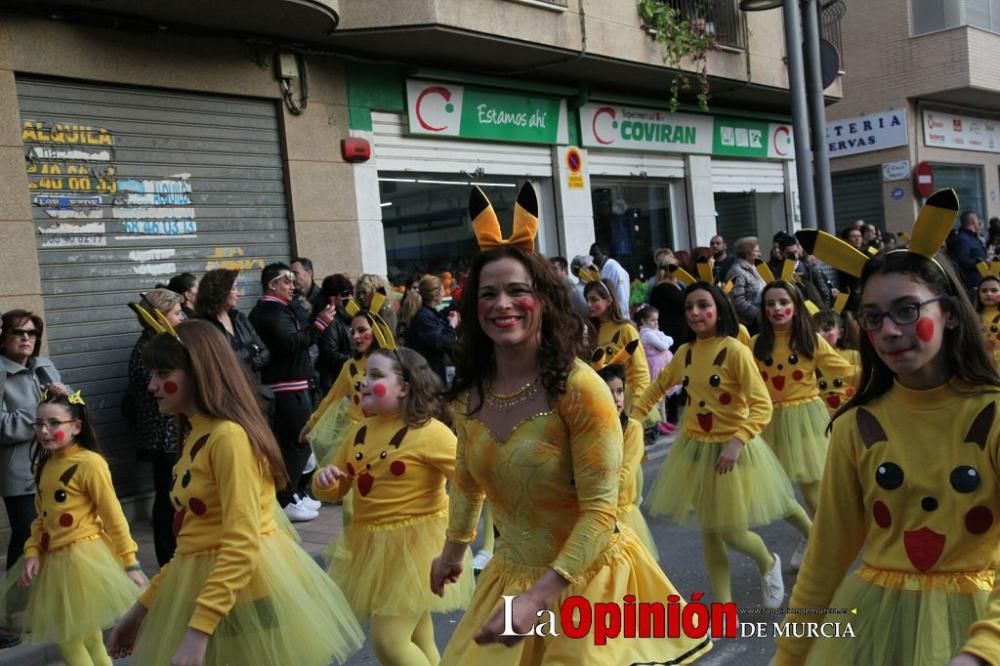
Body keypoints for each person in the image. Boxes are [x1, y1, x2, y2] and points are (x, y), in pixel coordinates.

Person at [430, 183, 713, 664]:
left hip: (590, 585)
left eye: (518, 291)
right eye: (489, 293)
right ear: (473, 309)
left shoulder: (580, 389)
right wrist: (454, 551)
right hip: (511, 578)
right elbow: (466, 478)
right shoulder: (471, 394)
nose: (502, 304)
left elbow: (602, 514)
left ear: (544, 300)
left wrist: (539, 598)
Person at [775, 196, 1000, 665]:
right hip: (875, 630)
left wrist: (983, 651)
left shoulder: (993, 414)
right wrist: (789, 654)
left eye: (906, 310)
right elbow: (827, 553)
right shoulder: (857, 425)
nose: (889, 331)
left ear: (951, 314)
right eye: (873, 317)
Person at [106, 320, 363, 666]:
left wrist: (197, 632)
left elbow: (241, 542)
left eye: (162, 373)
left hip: (246, 596)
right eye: (150, 374)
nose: (151, 385)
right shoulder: (198, 435)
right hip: (215, 595)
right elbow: (191, 546)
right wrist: (139, 611)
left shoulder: (227, 437)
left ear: (199, 372)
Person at [630, 282, 811, 608]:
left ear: (719, 309)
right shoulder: (685, 353)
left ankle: (769, 563)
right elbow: (657, 387)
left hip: (734, 453)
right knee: (710, 532)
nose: (696, 313)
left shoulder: (735, 350)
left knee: (732, 532)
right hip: (696, 450)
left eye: (703, 305)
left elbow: (761, 405)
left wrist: (737, 442)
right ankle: (723, 606)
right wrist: (632, 419)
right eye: (689, 308)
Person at [313, 348, 474, 665]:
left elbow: (470, 483)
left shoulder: (431, 432)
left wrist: (458, 536)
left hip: (417, 549)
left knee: (389, 642)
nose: (362, 381)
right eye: (363, 374)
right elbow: (336, 489)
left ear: (405, 387)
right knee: (418, 636)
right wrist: (324, 479)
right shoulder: (359, 432)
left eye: (376, 375)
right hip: (370, 547)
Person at [0, 391, 144, 664]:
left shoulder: (90, 464)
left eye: (54, 423)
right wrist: (32, 552)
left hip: (83, 561)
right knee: (87, 636)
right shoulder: (44, 465)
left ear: (76, 427)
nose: (44, 430)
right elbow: (41, 519)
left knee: (68, 639)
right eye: (39, 424)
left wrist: (130, 563)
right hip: (56, 562)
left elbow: (114, 517)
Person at [750, 280, 857, 569]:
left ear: (795, 306)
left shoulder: (810, 340)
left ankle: (821, 543)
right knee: (776, 492)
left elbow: (843, 369)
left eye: (783, 302)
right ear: (763, 309)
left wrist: (876, 376)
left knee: (813, 491)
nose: (777, 309)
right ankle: (810, 534)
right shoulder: (756, 344)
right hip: (770, 421)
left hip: (807, 419)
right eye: (770, 304)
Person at [249, 263, 335, 522]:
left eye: (292, 280)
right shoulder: (270, 311)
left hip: (295, 385)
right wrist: (320, 325)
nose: (292, 286)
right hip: (286, 389)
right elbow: (290, 343)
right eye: (286, 281)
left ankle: (293, 493)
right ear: (271, 285)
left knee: (298, 443)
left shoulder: (282, 309)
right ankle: (285, 497)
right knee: (298, 443)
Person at [1, 310, 67, 575]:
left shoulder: (44, 367)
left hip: (55, 465)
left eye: (31, 333)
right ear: (3, 337)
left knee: (57, 531)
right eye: (18, 332)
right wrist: (41, 407)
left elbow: (71, 411)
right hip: (18, 472)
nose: (26, 338)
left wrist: (68, 399)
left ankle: (46, 595)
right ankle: (16, 600)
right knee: (27, 534)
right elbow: (3, 427)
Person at [125, 289, 186, 566]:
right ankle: (168, 557)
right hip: (163, 436)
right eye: (176, 312)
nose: (181, 317)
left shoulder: (165, 343)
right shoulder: (149, 350)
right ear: (158, 316)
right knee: (167, 497)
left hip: (172, 433)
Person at [596, 363, 660, 561]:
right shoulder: (588, 431)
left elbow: (623, 476)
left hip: (622, 517)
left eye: (620, 391)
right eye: (609, 392)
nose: (616, 398)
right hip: (595, 517)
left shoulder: (632, 429)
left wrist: (591, 489)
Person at [193, 269, 272, 414]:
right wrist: (250, 351)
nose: (239, 293)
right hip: (226, 398)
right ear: (220, 291)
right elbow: (219, 363)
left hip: (253, 392)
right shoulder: (205, 325)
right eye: (234, 288)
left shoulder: (239, 318)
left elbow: (264, 352)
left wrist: (247, 365)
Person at [584, 278, 651, 414]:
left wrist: (638, 402)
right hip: (603, 399)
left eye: (594, 300)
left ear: (609, 301)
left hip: (626, 399)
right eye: (587, 300)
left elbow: (641, 370)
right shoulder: (592, 331)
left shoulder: (626, 329)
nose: (589, 304)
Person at [405, 274, 458, 382]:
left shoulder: (427, 313)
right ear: (436, 294)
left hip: (430, 373)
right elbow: (442, 342)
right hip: (428, 376)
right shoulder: (423, 316)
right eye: (442, 290)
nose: (444, 293)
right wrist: (452, 324)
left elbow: (439, 317)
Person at [634, 305, 675, 434]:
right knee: (656, 395)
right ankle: (656, 423)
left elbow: (671, 339)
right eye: (652, 320)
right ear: (643, 321)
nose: (656, 323)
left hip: (662, 363)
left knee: (662, 395)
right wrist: (664, 341)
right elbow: (664, 345)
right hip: (654, 365)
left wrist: (665, 340)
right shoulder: (646, 334)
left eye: (657, 320)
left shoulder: (654, 332)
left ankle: (664, 420)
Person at [316, 274, 355, 395]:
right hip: (335, 383)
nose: (350, 297)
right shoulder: (331, 321)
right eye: (344, 294)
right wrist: (356, 359)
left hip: (348, 379)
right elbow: (330, 354)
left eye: (351, 293)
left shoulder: (349, 317)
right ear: (332, 298)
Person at [726, 236, 767, 334]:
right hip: (748, 323)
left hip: (760, 321)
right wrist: (759, 314)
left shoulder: (756, 268)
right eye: (756, 251)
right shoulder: (737, 271)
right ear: (747, 252)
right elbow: (737, 300)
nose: (760, 254)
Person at [947, 211, 988, 291]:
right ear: (973, 222)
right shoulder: (962, 239)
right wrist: (983, 262)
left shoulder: (972, 238)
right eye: (977, 220)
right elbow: (962, 261)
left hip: (980, 282)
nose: (979, 222)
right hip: (971, 285)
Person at [589, 242, 630, 318]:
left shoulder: (615, 269)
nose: (592, 258)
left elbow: (622, 298)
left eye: (595, 254)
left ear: (605, 254)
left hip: (618, 318)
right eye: (591, 255)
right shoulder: (601, 269)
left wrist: (621, 318)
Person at [976, 271, 1000, 370]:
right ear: (979, 294)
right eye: (984, 291)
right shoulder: (973, 317)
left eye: (994, 290)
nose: (989, 294)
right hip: (981, 367)